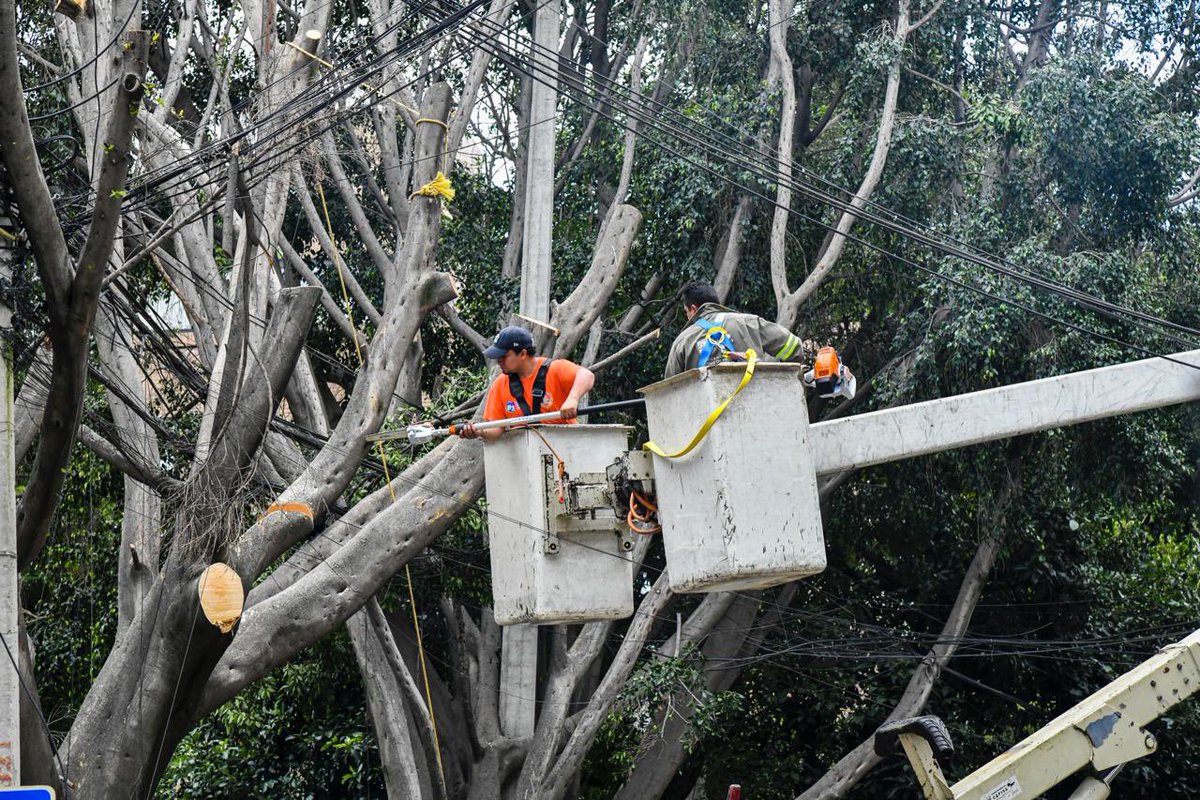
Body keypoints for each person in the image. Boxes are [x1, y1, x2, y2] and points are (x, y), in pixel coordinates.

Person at [459, 325, 595, 441]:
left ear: (523, 354)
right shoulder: (500, 384)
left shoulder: (554, 369)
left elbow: (587, 376)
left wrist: (572, 399)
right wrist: (478, 431)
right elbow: (496, 428)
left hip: (568, 447)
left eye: (504, 356)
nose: (499, 361)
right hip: (528, 457)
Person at [664, 280, 806, 378]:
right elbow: (794, 346)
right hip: (757, 412)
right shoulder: (749, 322)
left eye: (686, 312)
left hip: (707, 419)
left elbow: (669, 391)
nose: (687, 316)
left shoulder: (682, 341)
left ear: (693, 309)